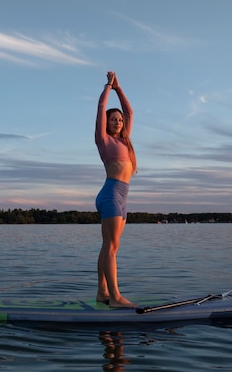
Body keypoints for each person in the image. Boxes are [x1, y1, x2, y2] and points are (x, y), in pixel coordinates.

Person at [94, 71, 137, 308]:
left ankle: (102, 292)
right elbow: (101, 107)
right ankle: (116, 297)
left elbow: (130, 112)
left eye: (119, 120)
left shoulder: (125, 140)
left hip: (123, 197)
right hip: (110, 194)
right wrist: (108, 87)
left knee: (111, 246)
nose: (118, 121)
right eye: (114, 119)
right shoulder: (104, 140)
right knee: (110, 246)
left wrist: (121, 88)